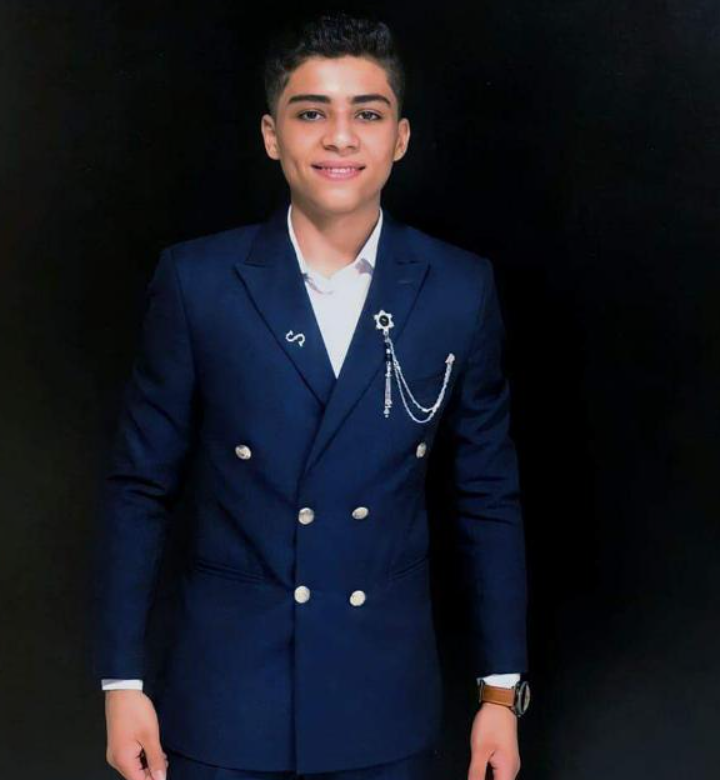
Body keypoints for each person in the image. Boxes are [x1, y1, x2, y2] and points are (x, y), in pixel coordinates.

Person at [92, 10, 531, 780]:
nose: (340, 138)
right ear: (272, 135)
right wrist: (121, 684)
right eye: (311, 113)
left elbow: (486, 495)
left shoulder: (458, 289)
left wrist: (500, 693)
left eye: (368, 114)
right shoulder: (199, 281)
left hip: (381, 698)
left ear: (400, 137)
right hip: (225, 695)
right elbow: (139, 487)